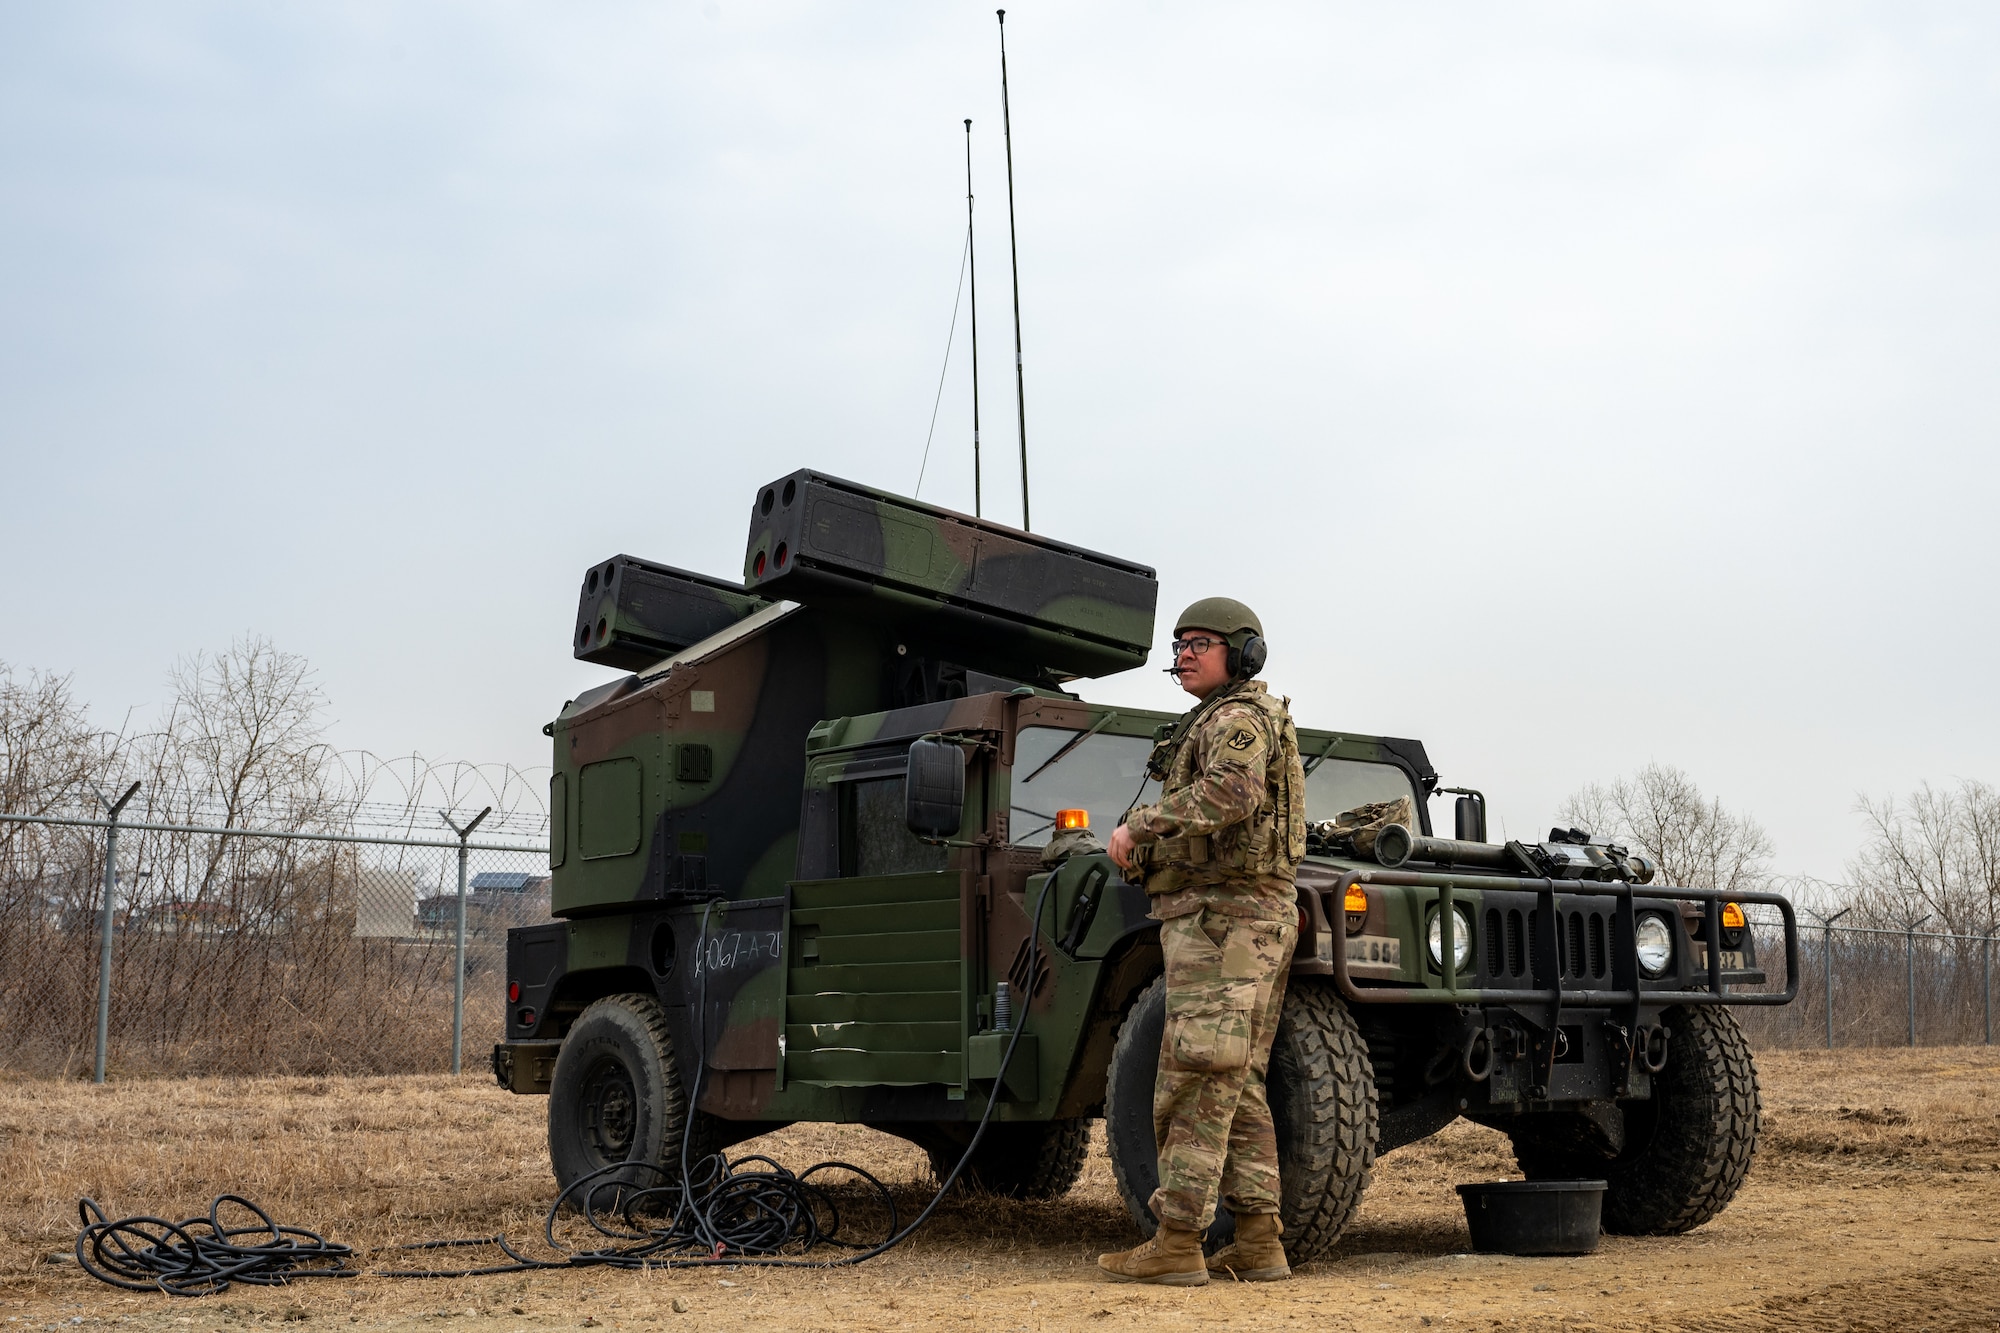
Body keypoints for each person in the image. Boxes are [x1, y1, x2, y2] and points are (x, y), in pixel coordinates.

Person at [1098, 597, 1306, 1286]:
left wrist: (1142, 826)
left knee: (1195, 1075)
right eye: (1180, 642)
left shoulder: (1237, 717)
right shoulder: (1229, 716)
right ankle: (1257, 1238)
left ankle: (1179, 1239)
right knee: (1237, 1078)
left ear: (1242, 653)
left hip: (1224, 922)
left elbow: (1233, 794)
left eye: (1202, 641)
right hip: (1247, 917)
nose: (1184, 652)